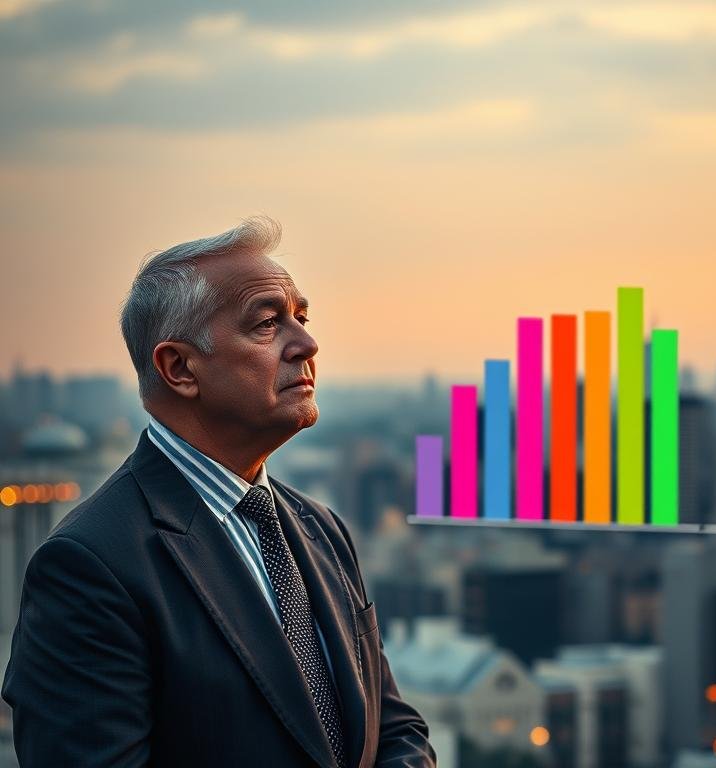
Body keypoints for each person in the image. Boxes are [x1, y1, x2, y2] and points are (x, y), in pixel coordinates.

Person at [1, 217, 437, 768]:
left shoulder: (320, 527)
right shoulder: (90, 565)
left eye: (300, 317)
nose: (307, 343)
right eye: (266, 325)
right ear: (180, 368)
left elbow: (395, 729)